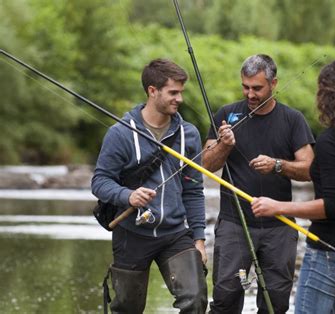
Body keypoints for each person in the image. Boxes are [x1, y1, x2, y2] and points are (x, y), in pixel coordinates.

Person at [251, 60, 335, 313]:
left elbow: (333, 205)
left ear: (325, 95)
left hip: (330, 252)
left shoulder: (330, 142)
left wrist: (276, 207)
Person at [91, 58, 208, 313]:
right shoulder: (120, 133)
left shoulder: (190, 135)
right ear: (152, 91)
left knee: (195, 299)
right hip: (131, 234)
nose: (180, 99)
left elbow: (194, 190)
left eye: (181, 92)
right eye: (173, 92)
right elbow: (99, 182)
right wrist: (128, 195)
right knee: (127, 309)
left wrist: (199, 239)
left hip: (175, 233)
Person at [202, 54, 315, 313]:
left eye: (257, 88)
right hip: (234, 225)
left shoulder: (293, 120)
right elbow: (207, 165)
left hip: (279, 227)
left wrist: (278, 165)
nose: (249, 94)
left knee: (274, 301)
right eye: (245, 86)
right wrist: (224, 145)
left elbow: (309, 170)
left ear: (274, 84)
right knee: (227, 297)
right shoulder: (226, 115)